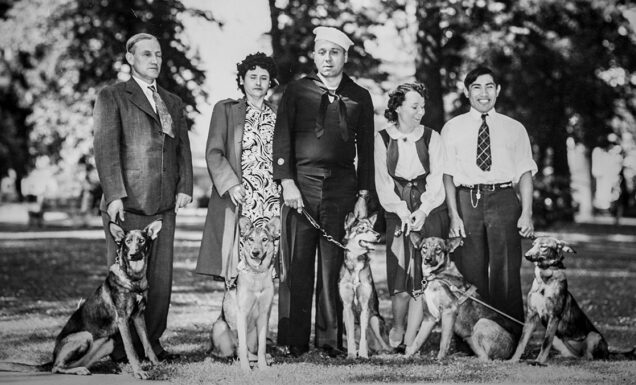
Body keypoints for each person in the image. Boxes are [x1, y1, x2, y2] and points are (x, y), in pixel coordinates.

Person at [273, 26, 375, 357]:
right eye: (322, 52)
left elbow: (368, 151)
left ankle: (329, 342)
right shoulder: (296, 90)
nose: (327, 58)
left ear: (345, 57)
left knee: (333, 268)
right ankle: (293, 341)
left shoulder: (360, 96)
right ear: (315, 56)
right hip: (299, 187)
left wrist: (362, 195)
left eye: (334, 52)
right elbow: (282, 137)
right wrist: (287, 181)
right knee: (297, 265)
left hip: (342, 189)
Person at [93, 32, 193, 362]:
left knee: (159, 282)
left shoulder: (173, 101)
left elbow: (182, 150)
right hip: (128, 204)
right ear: (130, 58)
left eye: (159, 54)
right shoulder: (112, 96)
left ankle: (154, 344)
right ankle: (123, 352)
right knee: (125, 284)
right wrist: (114, 195)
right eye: (147, 54)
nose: (154, 60)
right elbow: (105, 148)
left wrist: (185, 187)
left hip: (163, 205)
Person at [441, 66, 536, 337]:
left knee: (506, 268)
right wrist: (454, 215)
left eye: (489, 87)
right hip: (466, 199)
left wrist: (526, 212)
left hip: (504, 197)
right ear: (467, 91)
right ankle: (470, 336)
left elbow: (525, 173)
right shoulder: (453, 127)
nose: (484, 93)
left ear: (498, 90)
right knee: (470, 270)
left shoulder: (514, 128)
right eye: (477, 87)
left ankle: (509, 334)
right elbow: (447, 175)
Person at [374, 83, 448, 349]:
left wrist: (423, 210)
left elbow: (438, 179)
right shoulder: (381, 139)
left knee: (422, 274)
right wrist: (403, 212)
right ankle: (397, 325)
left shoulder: (432, 137)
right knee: (400, 273)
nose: (420, 112)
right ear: (397, 107)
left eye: (423, 106)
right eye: (414, 106)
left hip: (428, 210)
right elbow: (382, 183)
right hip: (397, 210)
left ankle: (411, 339)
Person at [196, 52, 280, 283]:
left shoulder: (278, 114)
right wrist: (231, 184)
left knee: (267, 265)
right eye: (252, 76)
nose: (258, 82)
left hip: (271, 198)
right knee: (238, 267)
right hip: (241, 197)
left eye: (264, 77)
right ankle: (234, 318)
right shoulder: (226, 109)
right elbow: (214, 152)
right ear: (242, 80)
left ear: (270, 82)